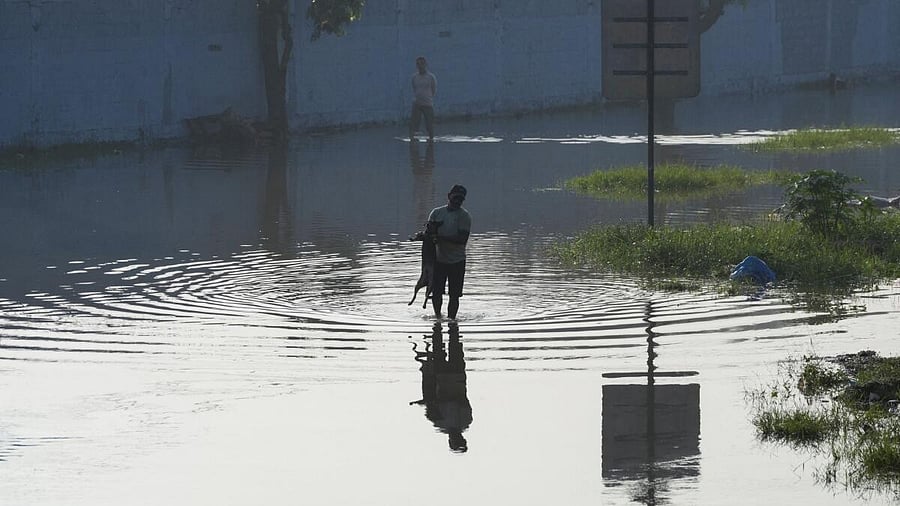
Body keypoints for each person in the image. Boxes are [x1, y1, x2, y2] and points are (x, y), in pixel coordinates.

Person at [427, 184, 471, 320]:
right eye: (455, 198)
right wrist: (424, 236)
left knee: (454, 295)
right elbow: (429, 233)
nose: (457, 201)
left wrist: (439, 237)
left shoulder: (464, 216)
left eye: (461, 199)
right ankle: (438, 319)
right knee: (436, 292)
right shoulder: (436, 213)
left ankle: (452, 321)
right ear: (449, 196)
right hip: (438, 260)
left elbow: (462, 239)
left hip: (457, 261)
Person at [409, 56, 437, 141]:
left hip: (428, 104)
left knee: (429, 124)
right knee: (413, 124)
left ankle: (431, 139)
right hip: (417, 103)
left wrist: (428, 98)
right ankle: (412, 141)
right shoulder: (414, 77)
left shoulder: (431, 77)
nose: (420, 66)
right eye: (418, 64)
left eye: (422, 64)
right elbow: (414, 88)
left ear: (425, 65)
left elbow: (434, 89)